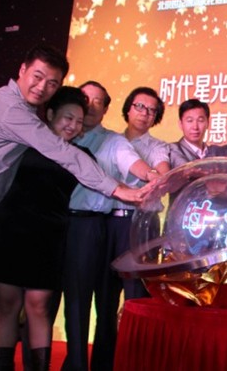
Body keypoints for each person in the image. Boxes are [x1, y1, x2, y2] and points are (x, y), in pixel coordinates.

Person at [0, 45, 142, 310]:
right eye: (37, 76)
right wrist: (117, 190)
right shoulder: (11, 109)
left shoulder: (16, 106)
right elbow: (61, 151)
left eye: (52, 83)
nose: (42, 87)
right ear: (22, 70)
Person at [0, 87, 89, 371]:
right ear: (49, 114)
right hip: (9, 230)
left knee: (39, 304)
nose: (73, 125)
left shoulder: (81, 155)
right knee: (7, 304)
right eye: (67, 118)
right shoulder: (20, 142)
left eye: (79, 121)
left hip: (49, 236)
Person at [62, 81, 158, 371]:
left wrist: (151, 176)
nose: (90, 105)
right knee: (47, 299)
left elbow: (133, 164)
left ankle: (84, 364)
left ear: (106, 109)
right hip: (53, 223)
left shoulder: (114, 141)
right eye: (85, 99)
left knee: (86, 300)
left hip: (89, 225)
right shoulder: (59, 135)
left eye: (98, 101)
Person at [104, 87, 170, 304]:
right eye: (140, 106)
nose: (144, 113)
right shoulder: (109, 140)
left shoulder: (158, 146)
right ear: (128, 109)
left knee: (137, 293)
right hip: (108, 221)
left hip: (143, 223)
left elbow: (163, 174)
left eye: (151, 110)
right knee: (105, 291)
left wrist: (156, 177)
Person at [168, 98, 210, 168]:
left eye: (200, 120)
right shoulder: (171, 150)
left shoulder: (214, 152)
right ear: (180, 124)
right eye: (190, 121)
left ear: (208, 123)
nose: (195, 127)